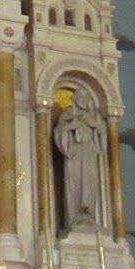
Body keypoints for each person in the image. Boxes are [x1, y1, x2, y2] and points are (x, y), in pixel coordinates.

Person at [52, 85, 107, 229]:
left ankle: (89, 216)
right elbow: (58, 133)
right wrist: (69, 127)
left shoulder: (95, 116)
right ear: (74, 99)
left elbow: (103, 135)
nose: (83, 100)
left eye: (86, 97)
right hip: (74, 154)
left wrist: (94, 125)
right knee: (75, 183)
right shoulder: (68, 113)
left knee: (90, 182)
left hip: (89, 152)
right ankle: (74, 218)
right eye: (80, 97)